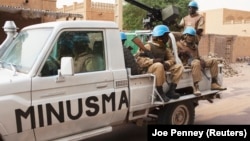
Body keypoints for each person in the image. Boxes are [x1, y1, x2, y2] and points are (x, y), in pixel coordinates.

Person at [136, 25, 184, 102]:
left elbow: (172, 59)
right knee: (159, 65)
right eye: (166, 36)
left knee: (179, 67)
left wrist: (167, 63)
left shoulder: (164, 48)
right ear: (160, 37)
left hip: (160, 68)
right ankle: (160, 92)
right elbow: (139, 60)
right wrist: (153, 61)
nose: (167, 38)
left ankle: (171, 91)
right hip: (147, 70)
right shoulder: (148, 46)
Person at [176, 26, 227, 96]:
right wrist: (181, 53)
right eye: (189, 36)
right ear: (185, 36)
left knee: (213, 61)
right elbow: (174, 57)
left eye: (192, 36)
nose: (191, 38)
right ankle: (196, 86)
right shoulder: (178, 44)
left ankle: (214, 83)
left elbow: (197, 57)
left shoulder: (194, 46)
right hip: (185, 64)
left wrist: (201, 60)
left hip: (195, 62)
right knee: (196, 62)